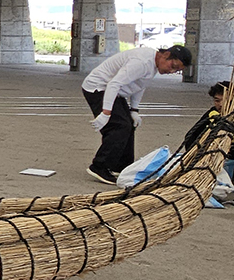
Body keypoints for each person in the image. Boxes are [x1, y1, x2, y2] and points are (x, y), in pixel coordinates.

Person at [81, 45, 191, 184]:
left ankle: (122, 166)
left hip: (115, 92)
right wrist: (106, 112)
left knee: (129, 124)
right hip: (98, 87)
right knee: (119, 126)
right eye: (173, 65)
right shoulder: (141, 62)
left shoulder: (153, 63)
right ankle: (99, 166)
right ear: (166, 54)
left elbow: (139, 85)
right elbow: (114, 83)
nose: (171, 70)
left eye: (177, 70)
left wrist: (134, 110)